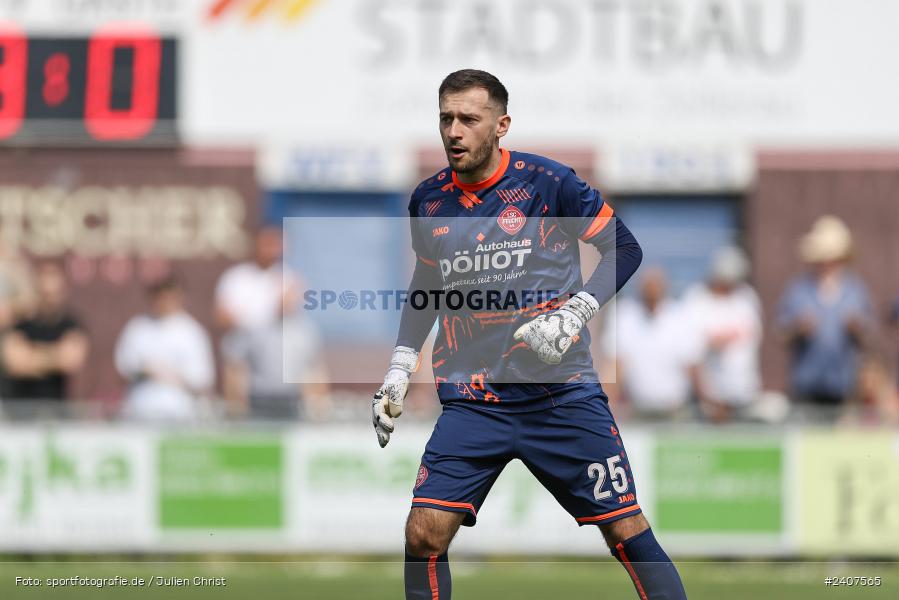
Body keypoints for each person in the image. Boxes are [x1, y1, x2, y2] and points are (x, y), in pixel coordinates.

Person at [372, 70, 686, 600]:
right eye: (445, 118)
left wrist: (577, 311)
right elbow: (427, 281)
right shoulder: (428, 202)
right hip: (475, 400)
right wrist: (401, 366)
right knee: (423, 534)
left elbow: (624, 249)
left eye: (469, 119)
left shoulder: (548, 183)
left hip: (560, 394)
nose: (454, 131)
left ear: (501, 125)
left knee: (626, 528)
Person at [778, 216, 873, 420]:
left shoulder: (855, 290)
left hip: (843, 386)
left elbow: (869, 335)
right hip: (806, 385)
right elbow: (781, 334)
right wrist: (798, 329)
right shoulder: (799, 290)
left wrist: (856, 328)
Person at [602, 267, 699, 422]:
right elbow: (616, 364)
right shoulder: (625, 314)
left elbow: (692, 364)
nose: (651, 291)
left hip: (676, 409)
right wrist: (607, 405)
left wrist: (706, 402)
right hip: (639, 409)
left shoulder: (680, 316)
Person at [115, 275, 214, 422]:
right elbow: (124, 366)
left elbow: (202, 379)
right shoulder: (137, 327)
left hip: (180, 415)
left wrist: (169, 374)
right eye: (160, 297)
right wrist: (147, 371)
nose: (165, 302)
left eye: (170, 297)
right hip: (140, 412)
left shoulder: (192, 332)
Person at [683, 246, 762, 423]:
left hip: (744, 395)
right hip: (710, 401)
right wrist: (707, 399)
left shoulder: (747, 298)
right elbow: (690, 355)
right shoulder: (696, 299)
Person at [1, 260, 88, 419]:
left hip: (56, 411)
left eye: (55, 293)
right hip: (20, 412)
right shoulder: (21, 324)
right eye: (46, 293)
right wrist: (55, 355)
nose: (51, 299)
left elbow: (70, 361)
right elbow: (16, 363)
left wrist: (32, 356)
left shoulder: (70, 324)